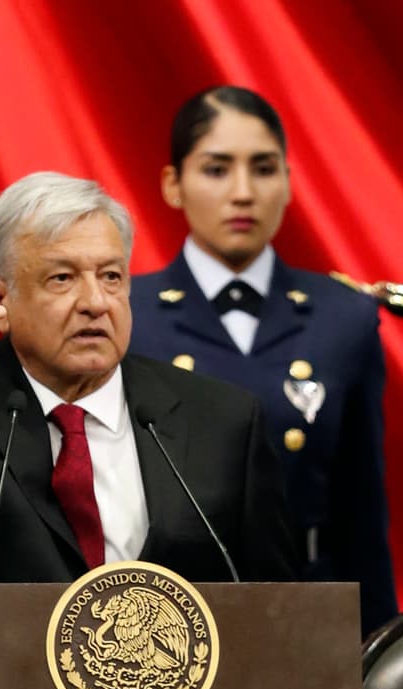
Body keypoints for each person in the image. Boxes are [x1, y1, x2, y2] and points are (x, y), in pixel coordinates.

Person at [0, 170, 297, 586]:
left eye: (111, 276)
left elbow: (276, 604)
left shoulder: (223, 418)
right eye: (62, 278)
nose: (96, 301)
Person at [129, 85, 397, 634]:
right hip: (164, 617)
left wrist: (378, 655)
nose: (243, 192)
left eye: (264, 168)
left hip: (310, 614)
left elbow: (361, 512)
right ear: (172, 185)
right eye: (217, 169)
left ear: (290, 182)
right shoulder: (124, 314)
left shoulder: (343, 318)